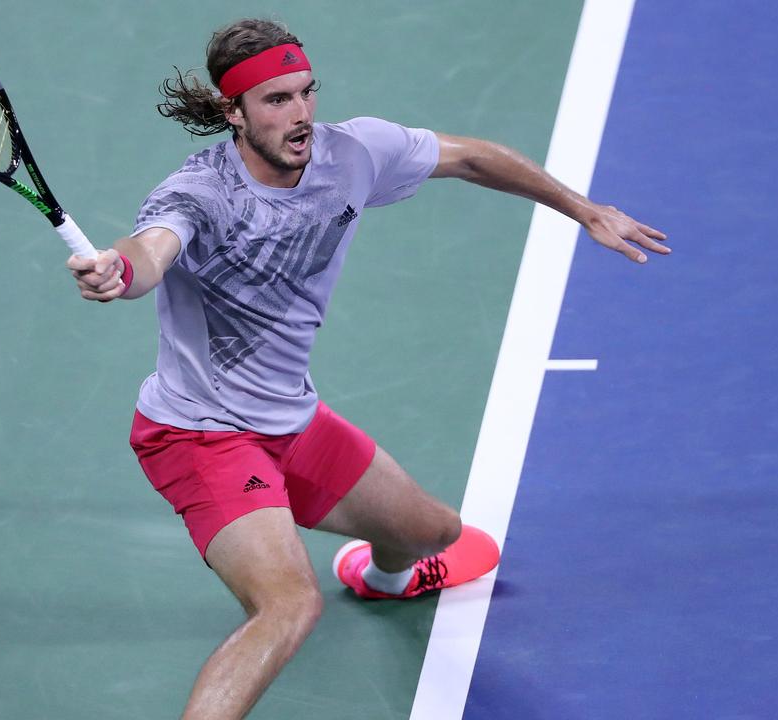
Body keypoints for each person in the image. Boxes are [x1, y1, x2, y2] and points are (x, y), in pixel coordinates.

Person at [67, 17, 669, 720]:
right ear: (233, 112)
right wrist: (118, 270)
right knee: (288, 606)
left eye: (305, 93)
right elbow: (151, 251)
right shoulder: (197, 195)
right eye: (276, 101)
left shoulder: (351, 154)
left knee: (432, 534)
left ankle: (385, 582)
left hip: (291, 420)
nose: (300, 116)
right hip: (202, 437)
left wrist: (582, 208)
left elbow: (470, 158)